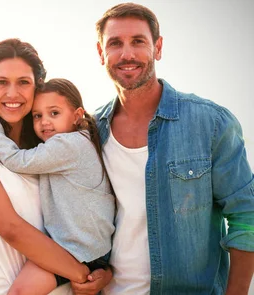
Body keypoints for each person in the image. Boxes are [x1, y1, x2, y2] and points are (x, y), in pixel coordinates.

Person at [93, 3, 254, 294]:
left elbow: (247, 214)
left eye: (138, 41)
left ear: (158, 47)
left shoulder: (211, 122)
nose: (127, 54)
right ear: (101, 52)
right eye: (115, 43)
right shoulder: (90, 132)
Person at [0, 38, 97, 295]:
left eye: (23, 83)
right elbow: (11, 228)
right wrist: (81, 273)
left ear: (36, 87)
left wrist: (102, 270)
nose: (12, 93)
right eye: (1, 82)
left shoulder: (50, 145)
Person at [0, 78, 115, 294]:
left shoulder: (69, 144)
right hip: (89, 248)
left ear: (77, 116)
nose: (44, 122)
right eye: (37, 116)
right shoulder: (72, 143)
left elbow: (16, 160)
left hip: (77, 248)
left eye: (54, 113)